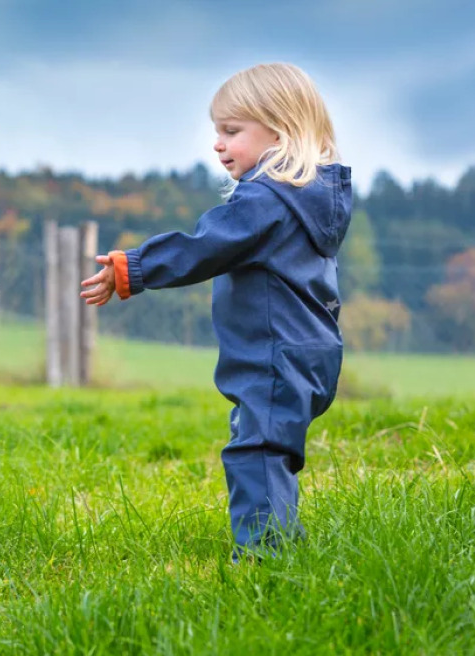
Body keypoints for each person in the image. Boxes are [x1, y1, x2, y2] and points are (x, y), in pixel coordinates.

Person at [80, 62, 353, 560]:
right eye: (217, 132)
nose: (218, 144)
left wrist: (134, 268)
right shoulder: (307, 201)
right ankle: (282, 542)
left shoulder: (265, 202)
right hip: (306, 346)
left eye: (231, 131)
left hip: (276, 348)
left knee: (257, 449)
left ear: (280, 130)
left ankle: (264, 556)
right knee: (269, 446)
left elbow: (206, 246)